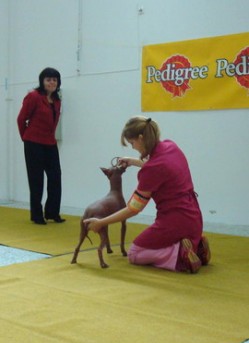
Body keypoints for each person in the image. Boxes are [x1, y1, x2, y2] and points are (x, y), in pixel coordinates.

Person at [84, 116, 211, 273]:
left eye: (132, 143)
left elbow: (133, 208)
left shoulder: (151, 170)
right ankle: (195, 245)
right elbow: (161, 168)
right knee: (153, 245)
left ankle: (180, 254)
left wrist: (101, 222)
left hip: (176, 220)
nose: (133, 148)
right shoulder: (170, 146)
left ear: (141, 138)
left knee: (135, 253)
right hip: (194, 218)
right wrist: (134, 161)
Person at [17, 67, 65, 225]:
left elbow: (55, 121)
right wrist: (26, 138)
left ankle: (52, 213)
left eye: (54, 80)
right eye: (48, 79)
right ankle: (37, 215)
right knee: (36, 179)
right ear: (42, 81)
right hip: (33, 143)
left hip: (50, 142)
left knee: (55, 177)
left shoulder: (57, 100)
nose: (52, 82)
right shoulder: (33, 96)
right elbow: (21, 119)